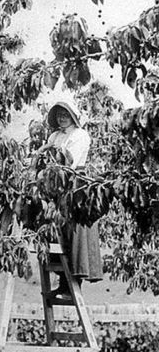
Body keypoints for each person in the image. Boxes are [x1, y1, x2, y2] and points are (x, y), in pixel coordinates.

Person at [44, 101, 103, 294]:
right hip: (56, 184)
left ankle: (74, 283)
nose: (62, 118)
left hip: (75, 186)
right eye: (59, 115)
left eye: (65, 115)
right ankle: (63, 282)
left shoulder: (80, 135)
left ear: (73, 116)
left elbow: (70, 163)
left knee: (75, 233)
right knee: (57, 232)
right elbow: (46, 157)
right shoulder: (54, 136)